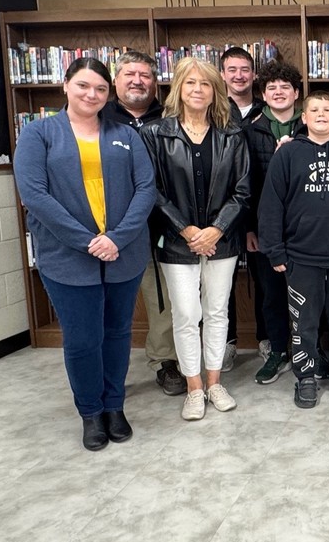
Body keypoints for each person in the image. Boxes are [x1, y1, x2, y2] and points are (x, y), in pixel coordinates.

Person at [13, 57, 155, 451]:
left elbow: (146, 188)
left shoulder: (125, 134)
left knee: (118, 333)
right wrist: (88, 241)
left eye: (100, 89)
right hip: (67, 257)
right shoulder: (38, 134)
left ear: (109, 94)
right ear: (66, 85)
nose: (91, 95)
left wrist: (116, 238)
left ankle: (114, 406)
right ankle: (91, 412)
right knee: (82, 339)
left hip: (123, 253)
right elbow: (35, 195)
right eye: (83, 86)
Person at [141, 57, 250, 421]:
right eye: (190, 83)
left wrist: (217, 229)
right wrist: (186, 230)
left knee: (217, 312)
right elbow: (152, 190)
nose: (198, 90)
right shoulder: (155, 134)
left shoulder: (232, 135)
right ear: (178, 88)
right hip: (176, 241)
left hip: (223, 240)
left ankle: (215, 382)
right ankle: (193, 387)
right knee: (187, 314)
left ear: (215, 91)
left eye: (205, 84)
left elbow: (243, 190)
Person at [260, 91, 329, 408]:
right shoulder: (287, 154)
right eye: (314, 110)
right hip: (301, 254)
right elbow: (271, 205)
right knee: (304, 321)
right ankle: (306, 376)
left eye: (327, 110)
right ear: (304, 117)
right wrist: (275, 250)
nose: (321, 114)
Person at [108, 50, 184, 396]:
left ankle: (165, 361)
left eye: (145, 75)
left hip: (159, 225)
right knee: (108, 304)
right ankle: (108, 372)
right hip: (109, 229)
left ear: (156, 82)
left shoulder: (171, 117)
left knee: (161, 299)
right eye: (130, 74)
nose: (137, 81)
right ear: (116, 80)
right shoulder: (99, 117)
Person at [248, 60, 303, 385]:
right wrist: (249, 228)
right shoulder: (251, 131)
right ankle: (278, 351)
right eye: (272, 88)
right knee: (271, 293)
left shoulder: (311, 125)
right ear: (264, 94)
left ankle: (309, 349)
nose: (279, 92)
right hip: (265, 228)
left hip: (306, 229)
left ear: (296, 93)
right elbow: (245, 184)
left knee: (310, 293)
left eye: (285, 87)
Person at [220, 47, 263, 371]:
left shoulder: (268, 108)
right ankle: (227, 343)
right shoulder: (215, 111)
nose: (239, 75)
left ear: (254, 74)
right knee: (222, 284)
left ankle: (266, 340)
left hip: (260, 208)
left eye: (245, 69)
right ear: (222, 74)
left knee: (265, 281)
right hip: (224, 211)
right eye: (232, 69)